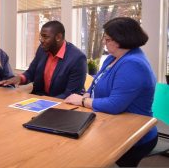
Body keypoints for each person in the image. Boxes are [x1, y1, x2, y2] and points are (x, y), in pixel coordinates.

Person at [64, 17, 158, 167]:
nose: (103, 42)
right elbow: (96, 81)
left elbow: (115, 105)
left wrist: (82, 101)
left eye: (107, 39)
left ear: (120, 40)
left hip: (134, 134)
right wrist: (88, 94)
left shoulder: (133, 64)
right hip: (111, 123)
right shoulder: (113, 58)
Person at [0, 20, 87, 99]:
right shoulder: (42, 49)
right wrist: (19, 79)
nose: (41, 40)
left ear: (58, 37)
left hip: (63, 105)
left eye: (45, 37)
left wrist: (45, 102)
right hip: (40, 98)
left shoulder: (77, 59)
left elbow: (70, 95)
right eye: (41, 36)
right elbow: (31, 72)